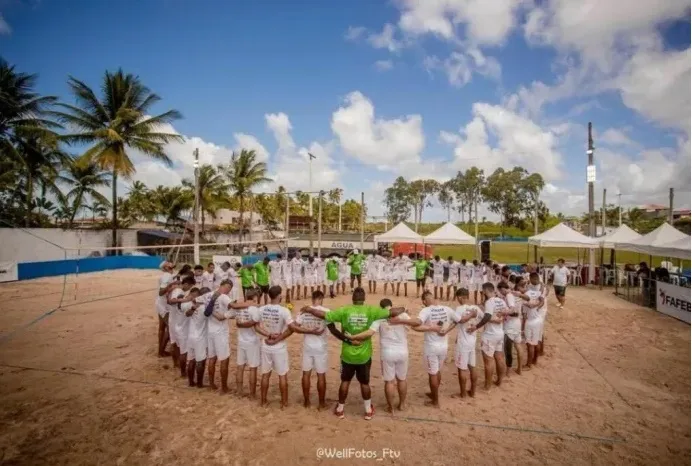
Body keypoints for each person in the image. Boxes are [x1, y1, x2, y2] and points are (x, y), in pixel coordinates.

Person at [302, 287, 406, 420]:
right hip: (364, 354)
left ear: (352, 298)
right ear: (364, 299)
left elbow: (324, 315)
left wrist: (310, 309)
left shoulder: (344, 310)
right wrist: (403, 309)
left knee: (345, 381)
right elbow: (392, 312)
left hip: (347, 354)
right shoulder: (371, 310)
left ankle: (340, 409)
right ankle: (368, 410)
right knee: (364, 383)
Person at [349, 298, 410, 413]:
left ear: (381, 308)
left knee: (389, 381)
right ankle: (402, 404)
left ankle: (390, 407)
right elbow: (415, 325)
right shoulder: (403, 315)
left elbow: (369, 333)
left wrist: (353, 337)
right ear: (392, 305)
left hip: (388, 352)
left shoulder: (380, 317)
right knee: (402, 379)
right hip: (402, 351)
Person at [400, 291, 459, 408]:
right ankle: (434, 393)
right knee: (437, 371)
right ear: (433, 298)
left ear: (424, 301)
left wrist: (429, 328)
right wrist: (447, 331)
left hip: (431, 347)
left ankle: (435, 401)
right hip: (444, 345)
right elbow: (457, 320)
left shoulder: (426, 311)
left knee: (432, 373)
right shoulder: (446, 309)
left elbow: (416, 326)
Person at [256, 286, 298, 408]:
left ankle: (263, 401)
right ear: (279, 295)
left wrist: (268, 334)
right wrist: (278, 339)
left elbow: (256, 327)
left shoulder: (262, 309)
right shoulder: (284, 311)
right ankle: (284, 402)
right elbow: (292, 328)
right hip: (279, 346)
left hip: (266, 344)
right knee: (282, 375)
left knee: (265, 374)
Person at [293, 290, 331, 409]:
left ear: (312, 298)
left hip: (307, 345)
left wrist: (307, 330)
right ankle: (321, 403)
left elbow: (295, 326)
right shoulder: (326, 311)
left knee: (306, 374)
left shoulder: (304, 311)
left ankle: (307, 401)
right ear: (321, 298)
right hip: (321, 347)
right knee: (321, 375)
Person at [451, 288, 486, 398]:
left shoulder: (459, 309)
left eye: (457, 297)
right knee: (472, 367)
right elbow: (484, 318)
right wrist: (475, 327)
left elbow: (457, 321)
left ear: (461, 297)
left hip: (463, 342)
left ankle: (463, 394)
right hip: (472, 340)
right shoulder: (475, 308)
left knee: (462, 368)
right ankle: (473, 392)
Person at [203, 280, 235, 393]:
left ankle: (212, 384)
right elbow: (234, 307)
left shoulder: (208, 295)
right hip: (220, 332)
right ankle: (224, 387)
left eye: (229, 289)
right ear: (223, 285)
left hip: (210, 330)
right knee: (224, 359)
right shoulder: (223, 297)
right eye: (228, 287)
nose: (228, 290)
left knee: (212, 358)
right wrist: (226, 315)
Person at [232, 289, 262, 398]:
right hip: (252, 341)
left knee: (240, 367)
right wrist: (268, 334)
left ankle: (239, 391)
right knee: (253, 368)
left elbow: (228, 315)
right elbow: (257, 328)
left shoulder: (239, 308)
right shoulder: (254, 310)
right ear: (255, 297)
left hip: (241, 340)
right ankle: (252, 393)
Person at [480, 282, 508, 389]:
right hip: (500, 332)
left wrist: (478, 325)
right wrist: (498, 319)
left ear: (486, 291)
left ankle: (488, 385)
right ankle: (500, 380)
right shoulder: (501, 300)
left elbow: (487, 317)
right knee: (500, 358)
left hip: (490, 334)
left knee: (488, 360)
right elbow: (505, 314)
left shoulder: (489, 302)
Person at [167, 275, 197, 376]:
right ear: (186, 284)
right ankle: (180, 367)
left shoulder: (181, 292)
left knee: (176, 344)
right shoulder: (179, 292)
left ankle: (177, 363)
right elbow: (172, 302)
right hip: (177, 322)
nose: (190, 289)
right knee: (178, 346)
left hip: (177, 321)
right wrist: (186, 300)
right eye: (190, 286)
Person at [185, 286, 212, 387]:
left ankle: (191, 382)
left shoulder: (193, 305)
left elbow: (187, 314)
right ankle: (200, 383)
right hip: (200, 338)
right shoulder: (205, 308)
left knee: (191, 360)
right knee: (200, 361)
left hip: (190, 336)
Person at [497, 281, 523, 376]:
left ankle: (508, 370)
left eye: (500, 291)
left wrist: (503, 312)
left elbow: (513, 310)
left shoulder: (508, 296)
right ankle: (519, 368)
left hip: (510, 325)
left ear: (502, 289)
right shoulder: (513, 294)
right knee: (518, 346)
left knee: (508, 349)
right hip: (517, 323)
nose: (500, 293)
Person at [523, 274, 546, 369]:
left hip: (530, 321)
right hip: (539, 319)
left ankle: (528, 364)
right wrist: (537, 306)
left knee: (530, 344)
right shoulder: (538, 293)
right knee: (537, 341)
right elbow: (542, 300)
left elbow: (524, 315)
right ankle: (535, 360)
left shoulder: (527, 294)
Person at [155, 261, 175, 357]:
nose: (172, 266)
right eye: (170, 266)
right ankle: (162, 351)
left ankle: (160, 351)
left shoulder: (166, 275)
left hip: (160, 303)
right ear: (166, 268)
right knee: (171, 328)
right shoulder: (167, 276)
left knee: (162, 328)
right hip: (164, 305)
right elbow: (161, 292)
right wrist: (171, 285)